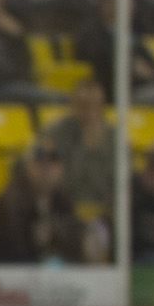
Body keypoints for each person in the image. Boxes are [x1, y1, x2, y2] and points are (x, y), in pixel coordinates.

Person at [0, 144, 96, 264]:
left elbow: (73, 240)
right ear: (28, 167)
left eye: (52, 164)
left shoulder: (61, 201)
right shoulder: (11, 202)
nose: (46, 171)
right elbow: (16, 252)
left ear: (61, 168)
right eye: (41, 164)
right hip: (0, 273)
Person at [38, 72, 119, 214]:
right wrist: (85, 147)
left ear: (103, 106)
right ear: (72, 104)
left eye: (94, 106)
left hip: (107, 212)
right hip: (64, 211)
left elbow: (120, 184)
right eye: (83, 105)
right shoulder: (56, 133)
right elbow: (51, 179)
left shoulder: (114, 138)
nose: (89, 112)